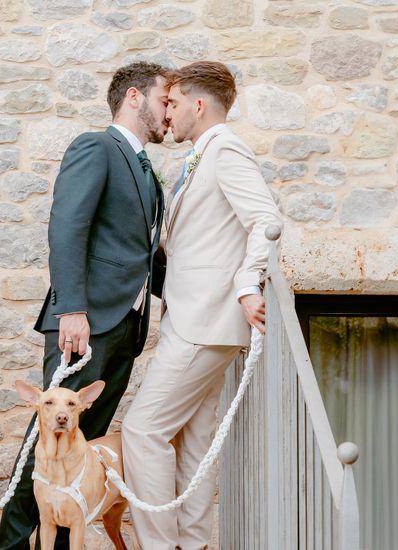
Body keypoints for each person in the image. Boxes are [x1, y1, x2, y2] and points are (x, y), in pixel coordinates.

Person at [0, 61, 171, 550]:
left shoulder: (146, 171)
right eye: (164, 100)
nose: (169, 113)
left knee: (81, 450)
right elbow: (67, 227)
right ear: (134, 97)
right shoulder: (96, 147)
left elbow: (144, 256)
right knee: (46, 444)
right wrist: (71, 308)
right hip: (84, 324)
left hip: (124, 328)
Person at [121, 61, 283, 550]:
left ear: (197, 104)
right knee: (193, 442)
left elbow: (266, 220)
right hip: (195, 318)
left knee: (142, 431)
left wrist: (247, 283)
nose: (165, 115)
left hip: (203, 321)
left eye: (171, 104)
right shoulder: (201, 155)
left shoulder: (226, 149)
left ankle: (159, 545)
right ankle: (192, 543)